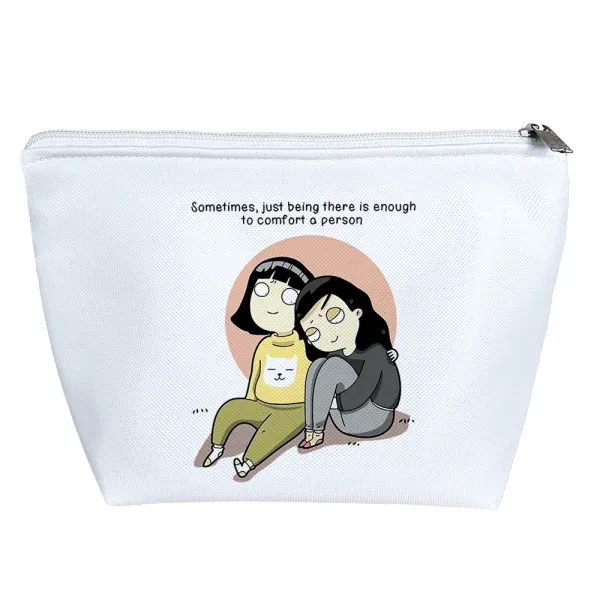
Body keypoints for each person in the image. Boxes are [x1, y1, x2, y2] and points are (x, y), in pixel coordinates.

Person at [203, 257, 314, 477]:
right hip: (261, 404)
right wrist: (249, 402)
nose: (272, 305)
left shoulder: (308, 345)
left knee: (273, 431)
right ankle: (217, 448)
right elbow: (256, 376)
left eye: (288, 296)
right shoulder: (264, 345)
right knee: (230, 409)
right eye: (262, 291)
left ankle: (247, 463)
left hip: (296, 409)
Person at [295, 276, 401, 448]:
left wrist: (329, 399)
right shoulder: (334, 355)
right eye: (314, 332)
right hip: (344, 420)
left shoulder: (376, 352)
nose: (328, 332)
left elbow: (356, 398)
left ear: (357, 312)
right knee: (316, 365)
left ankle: (317, 431)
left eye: (334, 315)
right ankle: (311, 430)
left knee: (332, 366)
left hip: (375, 419)